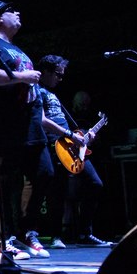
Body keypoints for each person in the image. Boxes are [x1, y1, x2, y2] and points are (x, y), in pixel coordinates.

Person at [0, 0, 52, 260]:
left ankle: (27, 231)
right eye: (10, 10)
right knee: (3, 182)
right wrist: (21, 77)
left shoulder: (16, 49)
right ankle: (0, 242)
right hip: (1, 124)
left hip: (29, 124)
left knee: (44, 173)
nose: (17, 13)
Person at [37, 54, 114, 248]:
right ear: (45, 72)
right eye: (57, 74)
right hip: (55, 145)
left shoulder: (54, 94)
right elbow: (41, 120)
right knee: (58, 191)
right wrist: (71, 135)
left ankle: (84, 233)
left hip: (71, 144)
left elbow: (68, 124)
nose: (60, 79)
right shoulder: (36, 90)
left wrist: (84, 137)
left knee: (95, 183)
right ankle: (55, 235)